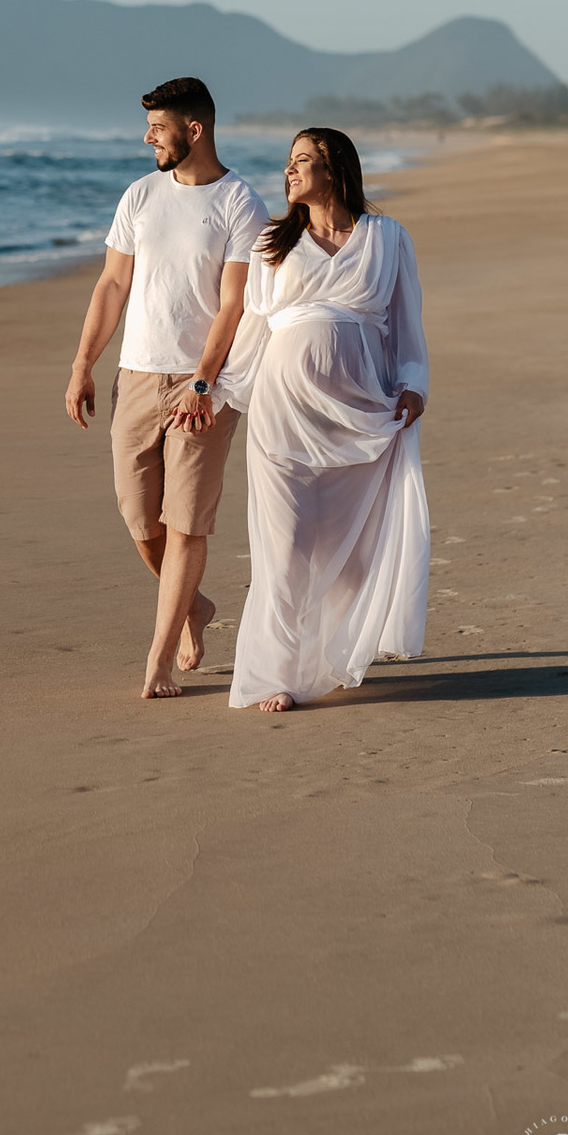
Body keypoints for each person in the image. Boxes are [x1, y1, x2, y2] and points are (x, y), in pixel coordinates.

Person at [65, 77, 269, 699]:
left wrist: (205, 382)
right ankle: (192, 607)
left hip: (203, 383)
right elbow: (111, 287)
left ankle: (158, 657)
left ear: (195, 129)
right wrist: (83, 365)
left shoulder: (240, 204)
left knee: (185, 525)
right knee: (139, 517)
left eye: (157, 128)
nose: (147, 137)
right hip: (137, 376)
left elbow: (233, 305)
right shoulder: (140, 195)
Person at [217, 127, 429, 711]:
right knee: (283, 547)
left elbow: (406, 324)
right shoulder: (271, 243)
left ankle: (334, 651)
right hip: (282, 414)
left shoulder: (387, 239)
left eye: (303, 161)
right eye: (288, 162)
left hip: (359, 413)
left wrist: (413, 384)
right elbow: (252, 332)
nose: (288, 172)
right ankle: (276, 675)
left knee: (352, 546)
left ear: (334, 171)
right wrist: (212, 392)